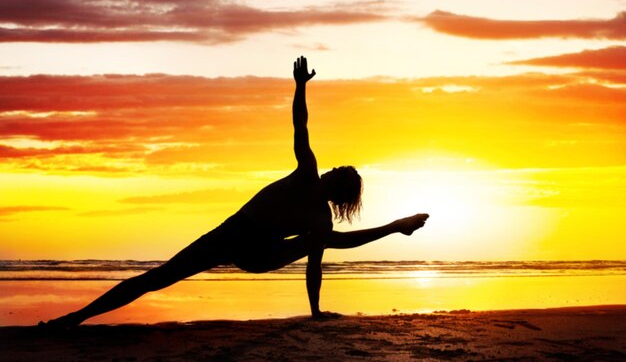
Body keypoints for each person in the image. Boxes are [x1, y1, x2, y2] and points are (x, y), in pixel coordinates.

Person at [41, 56, 428, 328]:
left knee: (325, 240)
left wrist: (314, 312)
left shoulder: (317, 207)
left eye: (339, 171)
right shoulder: (309, 179)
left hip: (262, 252)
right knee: (161, 277)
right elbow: (300, 126)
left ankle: (396, 226)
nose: (333, 167)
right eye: (338, 166)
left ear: (338, 187)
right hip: (234, 233)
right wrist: (299, 88)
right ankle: (73, 318)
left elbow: (315, 267)